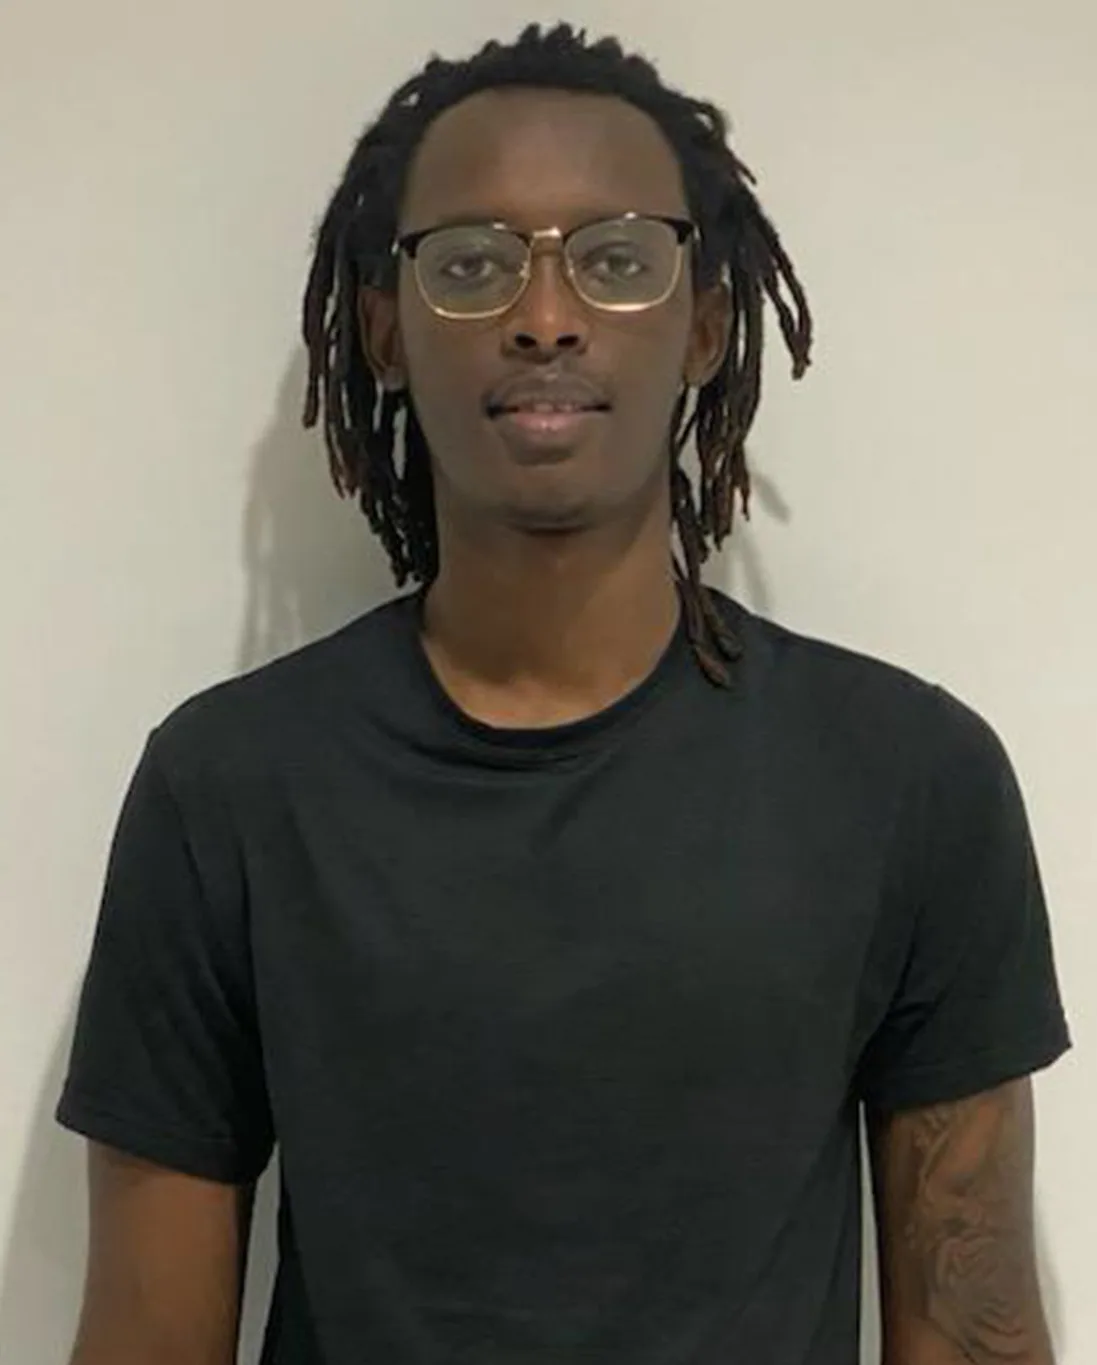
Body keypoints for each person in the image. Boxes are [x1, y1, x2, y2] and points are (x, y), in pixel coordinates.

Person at [57, 22, 1071, 1365]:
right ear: (386, 329)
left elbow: (977, 1333)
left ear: (707, 325)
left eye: (618, 259)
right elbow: (143, 1339)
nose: (545, 316)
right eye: (472, 263)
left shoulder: (910, 781)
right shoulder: (229, 788)